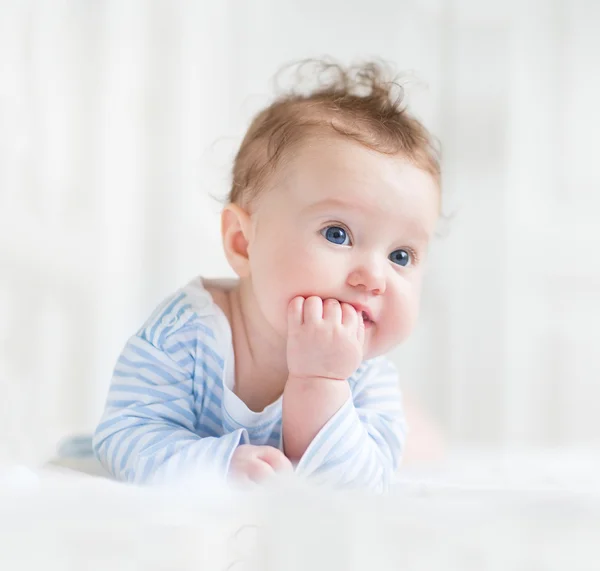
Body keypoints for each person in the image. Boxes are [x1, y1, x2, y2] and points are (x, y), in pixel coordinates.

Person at [93, 60, 441, 492]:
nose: (374, 277)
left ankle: (424, 431)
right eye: (337, 233)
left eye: (401, 255)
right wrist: (218, 465)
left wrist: (323, 382)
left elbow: (354, 490)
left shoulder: (367, 376)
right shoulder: (185, 336)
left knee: (417, 446)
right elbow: (124, 436)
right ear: (243, 242)